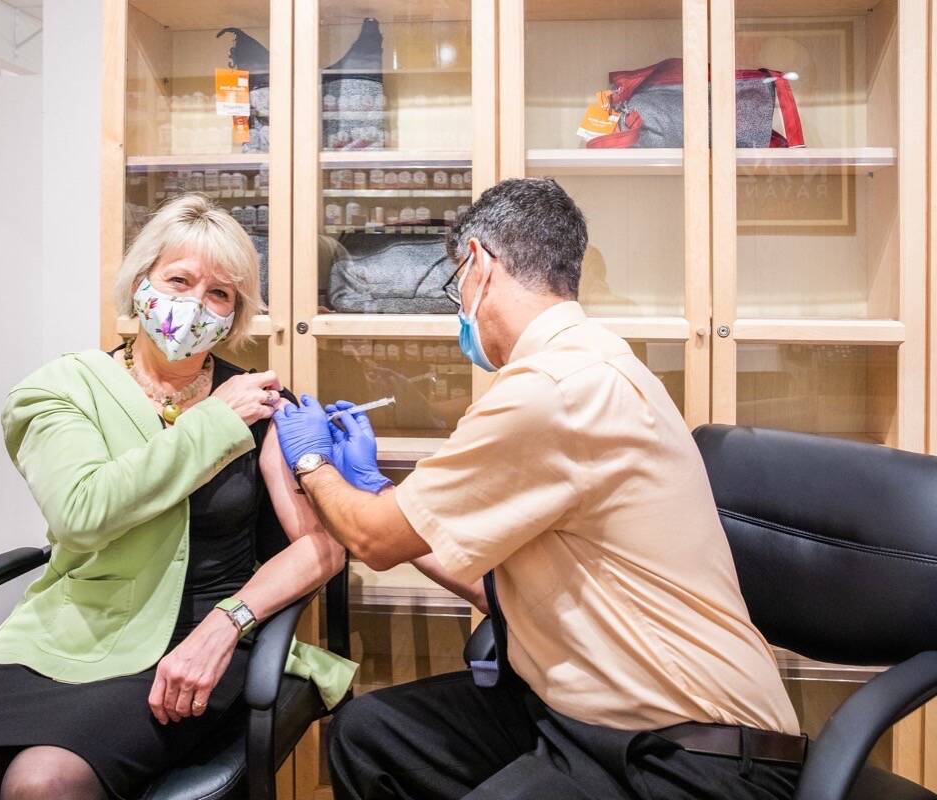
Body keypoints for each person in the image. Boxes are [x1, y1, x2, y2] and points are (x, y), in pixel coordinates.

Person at [273, 178, 803, 800]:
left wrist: (312, 461)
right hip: (584, 714)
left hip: (687, 752)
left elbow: (372, 538)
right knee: (370, 733)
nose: (459, 307)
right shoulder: (596, 361)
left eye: (455, 286)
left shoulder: (554, 388)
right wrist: (376, 486)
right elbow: (489, 581)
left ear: (479, 263)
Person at [0, 194, 355, 800]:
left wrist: (225, 625)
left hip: (194, 637)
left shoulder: (259, 403)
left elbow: (320, 548)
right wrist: (212, 424)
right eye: (178, 280)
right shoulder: (65, 388)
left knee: (44, 781)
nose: (194, 305)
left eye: (219, 294)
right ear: (139, 287)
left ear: (235, 313)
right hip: (67, 633)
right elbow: (83, 513)